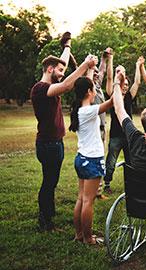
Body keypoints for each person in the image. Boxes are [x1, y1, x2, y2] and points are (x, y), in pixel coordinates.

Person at [31, 34, 97, 231]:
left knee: (52, 181)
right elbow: (68, 84)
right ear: (49, 69)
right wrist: (85, 65)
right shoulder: (40, 89)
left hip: (55, 143)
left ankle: (48, 214)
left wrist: (67, 47)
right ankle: (45, 220)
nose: (62, 72)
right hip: (48, 144)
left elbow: (64, 67)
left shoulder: (50, 84)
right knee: (49, 182)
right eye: (59, 70)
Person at [69, 77, 114, 244]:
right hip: (91, 159)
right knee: (88, 200)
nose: (96, 90)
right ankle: (88, 238)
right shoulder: (88, 110)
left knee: (81, 198)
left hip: (81, 158)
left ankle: (79, 234)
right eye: (94, 88)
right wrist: (118, 81)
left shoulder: (80, 109)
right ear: (89, 91)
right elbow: (112, 102)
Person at [103, 51, 140, 194]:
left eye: (126, 85)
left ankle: (131, 184)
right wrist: (111, 59)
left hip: (129, 135)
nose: (125, 86)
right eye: (123, 84)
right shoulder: (113, 96)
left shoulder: (129, 96)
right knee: (111, 161)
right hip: (115, 135)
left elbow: (137, 82)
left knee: (131, 162)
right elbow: (110, 77)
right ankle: (107, 184)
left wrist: (138, 66)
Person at [86, 47, 111, 199]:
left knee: (101, 159)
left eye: (97, 73)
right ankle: (94, 191)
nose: (97, 74)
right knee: (96, 160)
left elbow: (101, 72)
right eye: (93, 73)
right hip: (95, 130)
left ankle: (98, 191)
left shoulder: (98, 86)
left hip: (102, 128)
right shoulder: (88, 89)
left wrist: (104, 59)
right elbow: (96, 74)